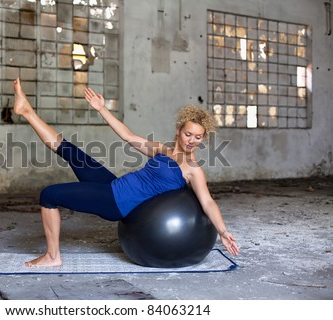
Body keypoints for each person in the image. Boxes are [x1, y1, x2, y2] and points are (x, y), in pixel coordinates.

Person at [13, 78, 239, 267]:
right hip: (114, 186)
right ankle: (27, 111)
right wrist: (102, 109)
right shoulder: (163, 150)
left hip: (116, 203)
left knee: (49, 195)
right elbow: (129, 136)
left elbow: (208, 202)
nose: (192, 140)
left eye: (198, 137)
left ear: (203, 139)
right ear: (179, 131)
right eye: (188, 134)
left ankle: (52, 256)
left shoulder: (193, 170)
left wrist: (223, 231)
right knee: (70, 151)